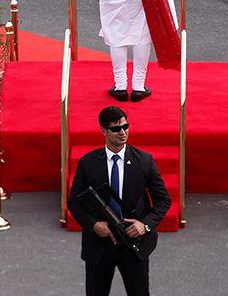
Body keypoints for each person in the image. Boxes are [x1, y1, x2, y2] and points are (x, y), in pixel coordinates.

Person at [67, 106, 171, 296]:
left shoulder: (144, 161)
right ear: (103, 131)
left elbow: (163, 200)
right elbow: (74, 202)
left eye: (125, 126)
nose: (122, 132)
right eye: (115, 129)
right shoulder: (88, 163)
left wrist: (145, 225)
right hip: (100, 244)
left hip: (133, 243)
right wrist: (93, 224)